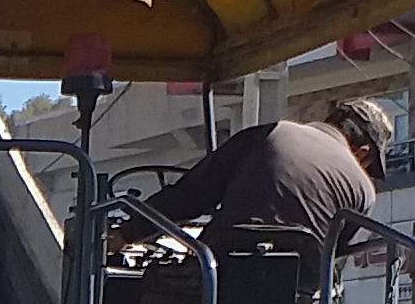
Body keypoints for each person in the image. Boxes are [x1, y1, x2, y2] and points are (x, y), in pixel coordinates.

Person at [149, 94, 391, 249]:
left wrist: (129, 231)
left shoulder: (273, 133)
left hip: (218, 279)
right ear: (362, 152)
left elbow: (192, 195)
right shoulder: (364, 191)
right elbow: (331, 253)